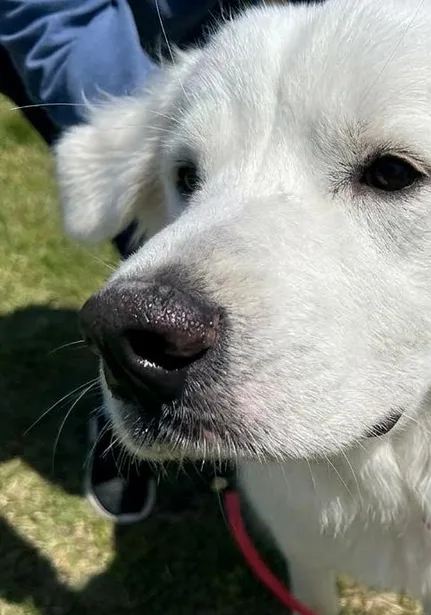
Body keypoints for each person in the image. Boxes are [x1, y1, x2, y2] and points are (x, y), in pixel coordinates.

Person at [0, 0, 311, 523]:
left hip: (243, 35)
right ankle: (139, 414)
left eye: (390, 173)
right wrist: (191, 94)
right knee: (159, 262)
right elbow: (50, 18)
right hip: (119, 50)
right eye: (189, 176)